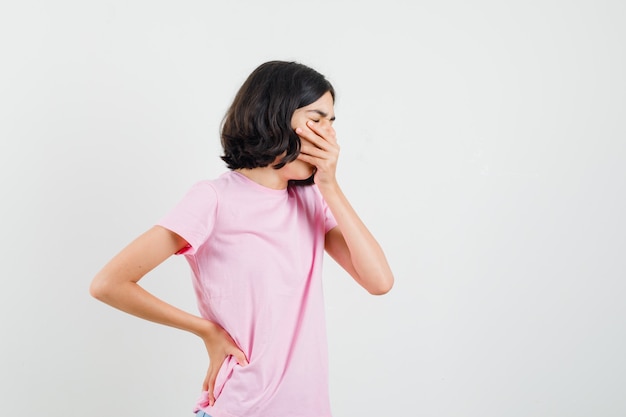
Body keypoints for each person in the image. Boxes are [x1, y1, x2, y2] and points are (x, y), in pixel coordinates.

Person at [90, 60, 394, 417]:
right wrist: (207, 331)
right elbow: (109, 283)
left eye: (332, 122)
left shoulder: (312, 201)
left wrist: (330, 186)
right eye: (317, 118)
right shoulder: (213, 199)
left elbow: (379, 282)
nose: (329, 134)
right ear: (276, 115)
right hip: (239, 407)